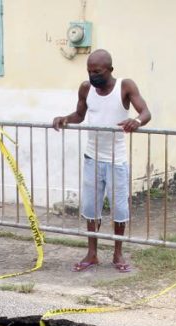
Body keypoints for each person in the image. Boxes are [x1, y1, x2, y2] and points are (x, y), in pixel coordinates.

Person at [52, 49, 151, 272]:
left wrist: (136, 121)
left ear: (110, 70)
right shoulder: (86, 88)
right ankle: (92, 253)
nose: (92, 75)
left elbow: (145, 112)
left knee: (118, 209)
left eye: (97, 71)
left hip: (116, 160)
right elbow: (80, 115)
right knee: (90, 207)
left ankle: (118, 254)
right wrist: (64, 119)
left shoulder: (125, 86)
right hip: (92, 157)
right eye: (89, 71)